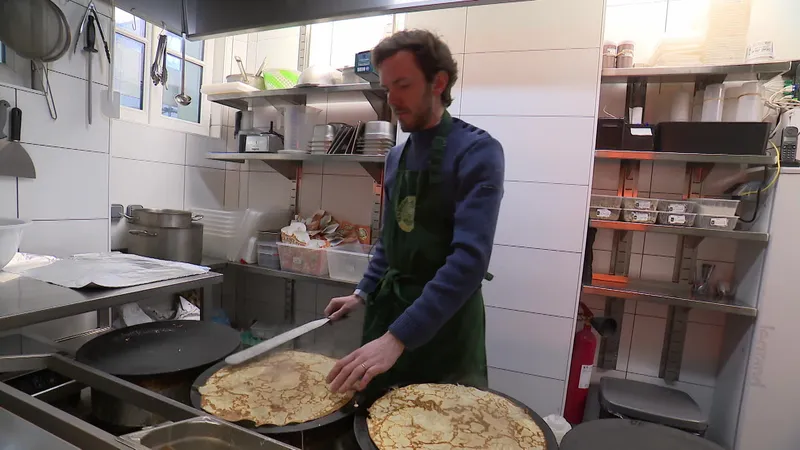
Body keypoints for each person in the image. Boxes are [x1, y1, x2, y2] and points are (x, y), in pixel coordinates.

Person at [324, 29, 505, 399]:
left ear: (438, 82)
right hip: (389, 317)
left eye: (403, 85)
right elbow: (390, 242)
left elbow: (469, 261)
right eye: (387, 88)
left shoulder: (478, 152)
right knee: (376, 416)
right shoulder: (396, 156)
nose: (392, 100)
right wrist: (363, 292)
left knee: (442, 421)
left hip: (445, 328)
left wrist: (398, 337)